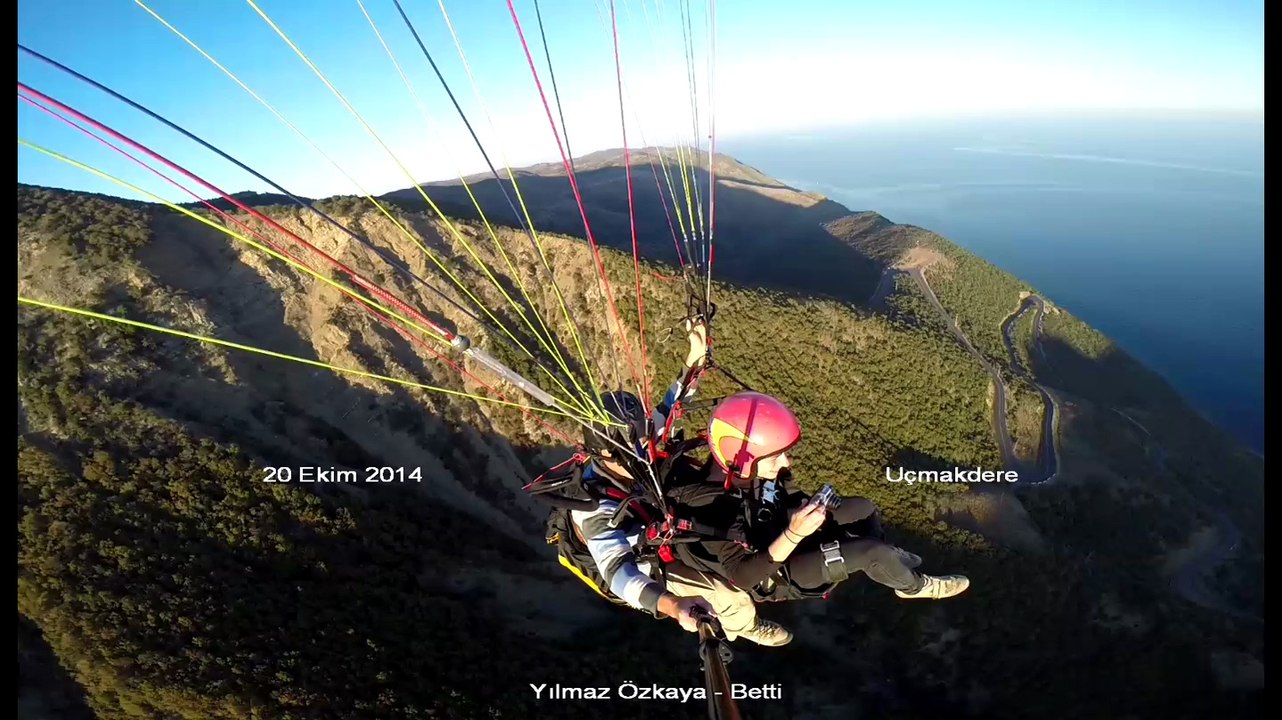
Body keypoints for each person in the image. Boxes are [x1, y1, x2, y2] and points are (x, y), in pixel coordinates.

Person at [534, 322, 789, 645]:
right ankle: (745, 627)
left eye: (645, 439)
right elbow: (618, 573)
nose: (646, 447)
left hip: (656, 519)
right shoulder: (594, 508)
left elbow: (669, 409)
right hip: (640, 556)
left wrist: (693, 360)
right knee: (731, 598)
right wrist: (673, 605)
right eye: (639, 445)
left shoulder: (633, 445)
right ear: (609, 454)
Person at [663, 391, 970, 638]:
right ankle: (914, 587)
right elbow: (743, 577)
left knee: (863, 508)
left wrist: (806, 506)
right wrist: (794, 533)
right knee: (872, 553)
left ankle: (889, 560)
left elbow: (784, 491)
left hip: (782, 526)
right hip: (780, 570)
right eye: (775, 456)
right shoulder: (713, 509)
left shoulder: (745, 467)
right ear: (743, 456)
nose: (785, 462)